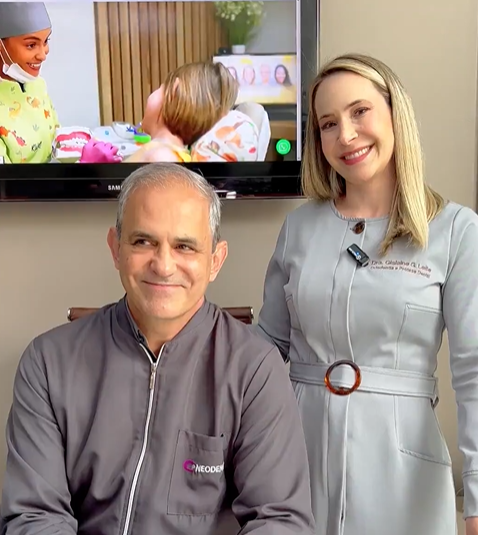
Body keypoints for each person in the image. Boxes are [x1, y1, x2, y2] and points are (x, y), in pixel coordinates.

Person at [1, 162, 316, 535]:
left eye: (184, 246)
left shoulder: (255, 369)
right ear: (115, 248)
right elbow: (34, 516)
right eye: (143, 242)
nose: (164, 266)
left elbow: (279, 520)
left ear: (215, 261)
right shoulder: (48, 362)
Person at [255, 52, 478, 535]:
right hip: (298, 458)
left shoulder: (456, 230)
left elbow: (474, 371)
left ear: (396, 112)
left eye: (360, 112)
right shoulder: (298, 228)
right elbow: (264, 351)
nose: (346, 135)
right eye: (328, 124)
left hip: (404, 473)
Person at [0, 2, 59, 163]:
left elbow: (56, 141)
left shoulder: (38, 85)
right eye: (31, 45)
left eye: (45, 41)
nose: (43, 55)